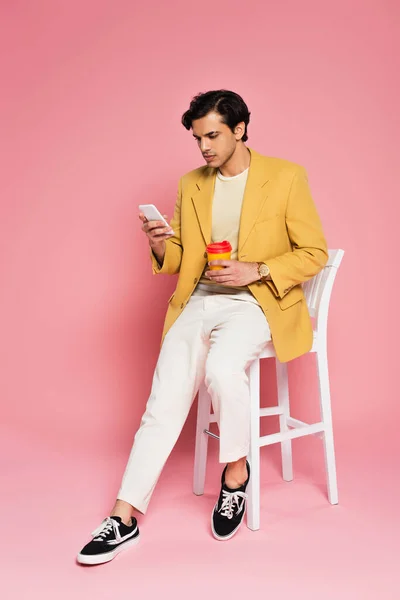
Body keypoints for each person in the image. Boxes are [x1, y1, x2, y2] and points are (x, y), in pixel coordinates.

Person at [77, 90, 328, 565]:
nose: (204, 148)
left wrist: (256, 270)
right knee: (164, 397)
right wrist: (158, 245)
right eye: (198, 138)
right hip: (201, 300)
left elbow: (314, 252)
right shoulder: (192, 182)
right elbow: (180, 260)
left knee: (223, 367)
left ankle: (235, 475)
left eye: (213, 135)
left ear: (239, 129)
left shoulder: (286, 176)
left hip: (258, 301)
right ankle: (123, 515)